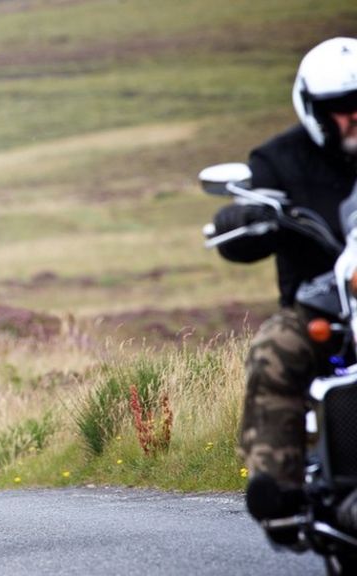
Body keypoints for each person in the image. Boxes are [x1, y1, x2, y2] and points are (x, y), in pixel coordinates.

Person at [210, 37, 357, 542]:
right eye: (340, 109)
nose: (352, 117)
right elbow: (238, 233)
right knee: (275, 349)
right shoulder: (280, 158)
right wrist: (246, 219)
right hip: (323, 304)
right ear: (314, 109)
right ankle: (280, 489)